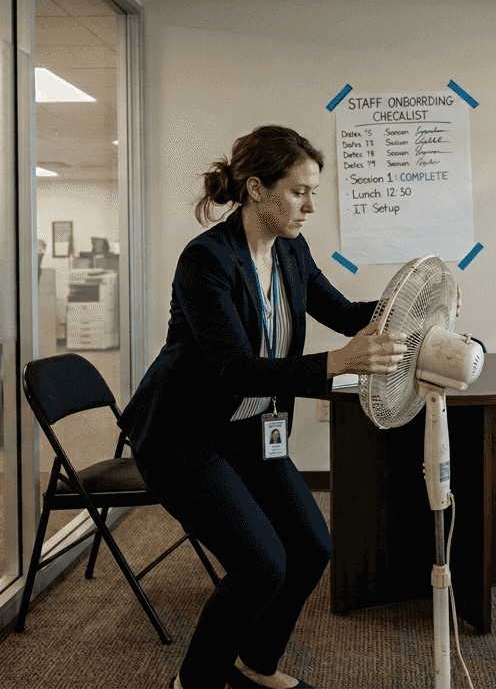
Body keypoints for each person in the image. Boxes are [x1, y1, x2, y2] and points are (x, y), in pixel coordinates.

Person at [121, 125, 405, 689]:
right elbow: (234, 370)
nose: (310, 206)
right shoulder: (206, 260)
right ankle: (196, 681)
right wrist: (340, 363)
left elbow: (347, 314)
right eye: (298, 192)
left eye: (313, 192)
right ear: (255, 188)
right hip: (185, 438)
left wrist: (416, 303)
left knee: (311, 548)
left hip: (250, 431)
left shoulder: (292, 252)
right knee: (260, 564)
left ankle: (254, 663)